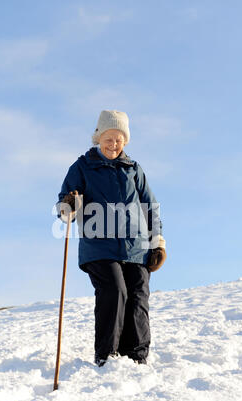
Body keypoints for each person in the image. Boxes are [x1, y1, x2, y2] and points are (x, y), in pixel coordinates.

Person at [56, 110, 166, 367]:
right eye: (109, 137)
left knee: (138, 294)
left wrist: (157, 241)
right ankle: (107, 356)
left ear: (125, 141)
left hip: (137, 247)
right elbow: (65, 205)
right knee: (115, 290)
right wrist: (70, 204)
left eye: (119, 138)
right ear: (98, 137)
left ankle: (136, 358)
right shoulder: (83, 166)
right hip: (100, 246)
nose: (114, 143)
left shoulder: (134, 169)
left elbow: (150, 207)